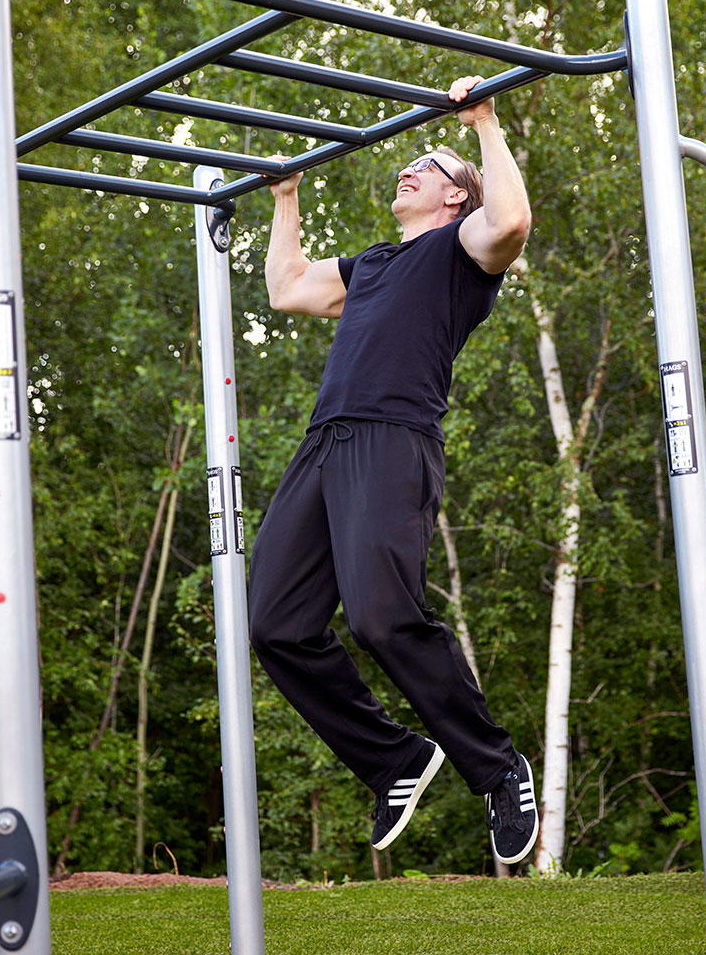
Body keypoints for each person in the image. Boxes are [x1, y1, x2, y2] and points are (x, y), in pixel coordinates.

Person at [248, 75, 538, 865]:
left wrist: (480, 123)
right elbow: (286, 288)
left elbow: (510, 217)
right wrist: (285, 198)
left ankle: (495, 765)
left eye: (427, 164)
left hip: (393, 438)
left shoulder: (463, 252)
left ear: (454, 199)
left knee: (381, 616)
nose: (407, 168)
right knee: (273, 622)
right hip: (325, 443)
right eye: (408, 162)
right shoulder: (372, 264)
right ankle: (394, 760)